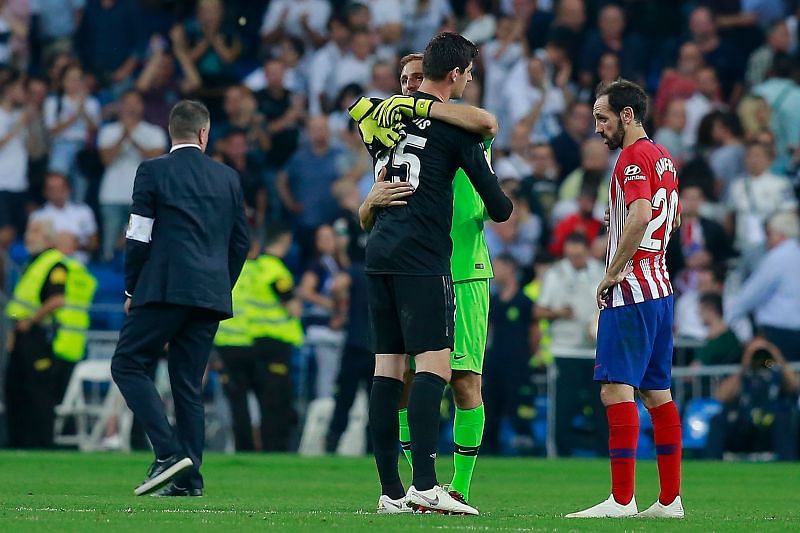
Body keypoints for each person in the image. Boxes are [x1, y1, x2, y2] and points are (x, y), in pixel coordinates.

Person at [349, 33, 512, 515]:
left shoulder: (386, 127)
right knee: (435, 369)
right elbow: (499, 205)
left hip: (380, 254)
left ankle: (392, 492)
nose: (406, 86)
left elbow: (363, 114)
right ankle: (425, 483)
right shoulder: (457, 130)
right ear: (458, 74)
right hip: (425, 257)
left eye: (413, 79)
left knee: (390, 369)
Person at [110, 100, 249, 497]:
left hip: (164, 287)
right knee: (188, 384)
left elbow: (137, 235)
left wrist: (132, 289)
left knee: (127, 363)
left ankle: (169, 453)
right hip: (209, 295)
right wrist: (220, 284)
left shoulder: (152, 171)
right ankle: (190, 480)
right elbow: (241, 242)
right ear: (205, 133)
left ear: (174, 133)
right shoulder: (228, 178)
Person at [567, 79, 683, 519]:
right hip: (660, 289)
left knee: (617, 389)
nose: (598, 128)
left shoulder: (632, 158)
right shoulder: (664, 158)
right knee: (658, 392)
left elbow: (641, 214)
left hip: (631, 291)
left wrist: (612, 271)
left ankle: (621, 500)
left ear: (627, 115)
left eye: (603, 117)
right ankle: (670, 501)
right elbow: (672, 221)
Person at [5, 219, 97, 448]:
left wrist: (31, 321)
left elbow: (57, 299)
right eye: (27, 230)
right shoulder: (33, 262)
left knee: (39, 393)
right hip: (21, 333)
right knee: (17, 389)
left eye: (34, 231)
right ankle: (19, 441)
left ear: (47, 238)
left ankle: (41, 442)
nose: (28, 236)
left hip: (38, 335)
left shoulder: (54, 264)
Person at [241, 225, 304, 451]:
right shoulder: (274, 268)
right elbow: (292, 305)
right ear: (285, 239)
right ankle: (276, 447)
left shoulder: (255, 267)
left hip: (256, 340)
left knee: (264, 397)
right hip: (275, 342)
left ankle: (267, 446)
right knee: (277, 399)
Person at [97, 90, 167, 262]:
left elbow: (157, 159)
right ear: (120, 106)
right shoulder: (108, 131)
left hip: (142, 198)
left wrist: (133, 137)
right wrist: (123, 135)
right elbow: (106, 159)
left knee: (141, 249)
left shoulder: (154, 132)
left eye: (135, 103)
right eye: (127, 103)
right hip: (111, 196)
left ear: (142, 106)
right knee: (109, 249)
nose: (131, 107)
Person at [708, 338, 800, 461]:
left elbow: (795, 386)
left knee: (782, 418)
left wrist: (776, 356)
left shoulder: (777, 374)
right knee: (718, 419)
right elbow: (720, 395)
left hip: (770, 426)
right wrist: (745, 365)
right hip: (745, 425)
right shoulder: (744, 376)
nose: (760, 358)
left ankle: (788, 463)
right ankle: (711, 462)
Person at [726, 211, 800, 362]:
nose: (767, 240)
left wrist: (731, 315)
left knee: (777, 382)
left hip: (778, 334)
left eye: (770, 234)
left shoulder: (777, 258)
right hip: (794, 330)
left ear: (781, 234)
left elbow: (752, 294)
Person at [482, 254, 536, 455]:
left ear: (510, 268)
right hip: (495, 360)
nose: (494, 271)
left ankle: (527, 446)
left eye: (497, 266)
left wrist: (530, 355)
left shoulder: (524, 301)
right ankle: (489, 447)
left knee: (518, 405)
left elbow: (534, 332)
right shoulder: (494, 300)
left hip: (518, 362)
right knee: (490, 405)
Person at [536, 232, 604, 349]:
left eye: (578, 256)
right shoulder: (554, 274)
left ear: (587, 251)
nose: (573, 260)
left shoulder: (601, 272)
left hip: (594, 347)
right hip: (563, 346)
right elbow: (538, 311)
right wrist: (557, 313)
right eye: (570, 256)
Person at [29, 172, 98, 264]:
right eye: (51, 188)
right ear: (45, 192)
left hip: (80, 265)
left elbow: (94, 244)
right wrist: (56, 244)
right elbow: (33, 247)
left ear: (68, 188)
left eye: (60, 187)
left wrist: (76, 244)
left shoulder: (84, 211)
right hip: (50, 265)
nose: (56, 192)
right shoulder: (37, 216)